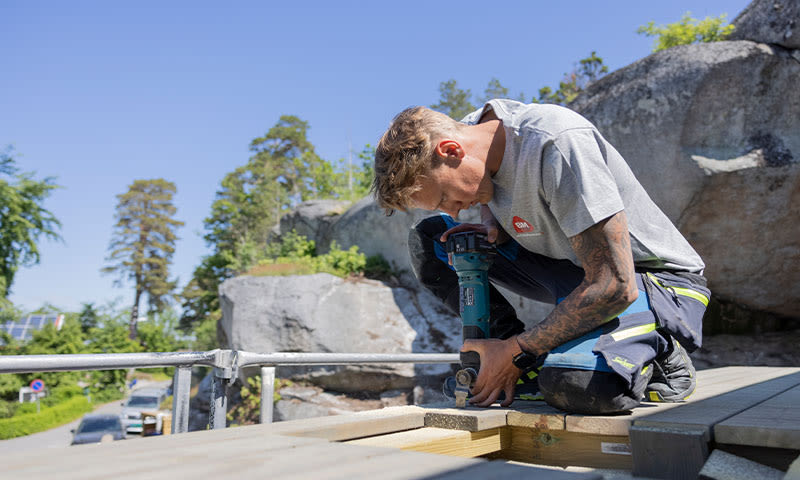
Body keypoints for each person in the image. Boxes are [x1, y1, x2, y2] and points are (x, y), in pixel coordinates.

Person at [371, 99, 711, 414]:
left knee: (576, 386)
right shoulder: (476, 134)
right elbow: (492, 186)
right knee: (435, 240)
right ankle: (508, 360)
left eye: (445, 195)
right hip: (576, 270)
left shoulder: (556, 142)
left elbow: (614, 285)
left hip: (655, 283)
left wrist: (518, 350)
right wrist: (493, 226)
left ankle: (663, 350)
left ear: (451, 150)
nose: (454, 213)